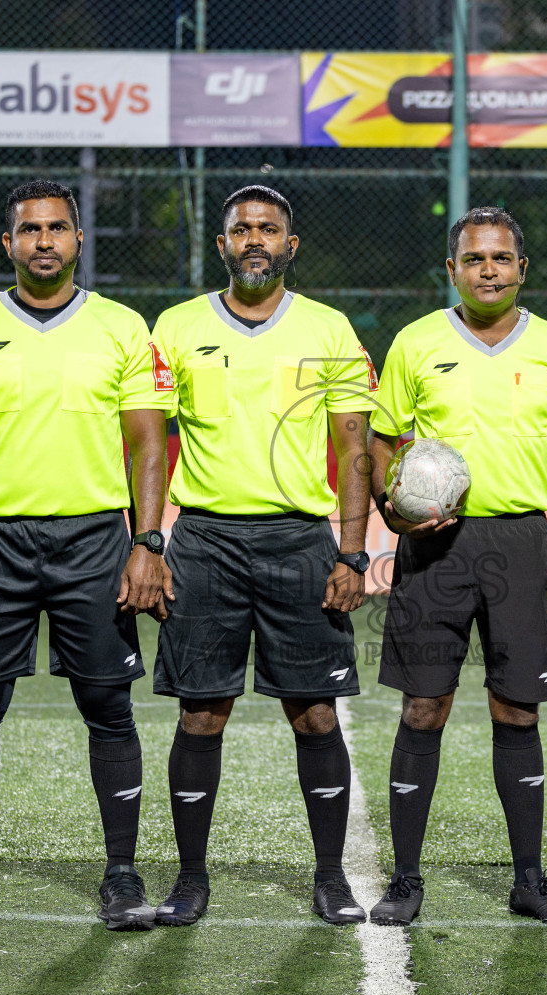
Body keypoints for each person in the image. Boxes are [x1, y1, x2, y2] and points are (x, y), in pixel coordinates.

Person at [0, 180, 174, 933]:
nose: (44, 242)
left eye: (57, 228)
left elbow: (148, 442)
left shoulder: (123, 327)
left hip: (95, 538)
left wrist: (147, 542)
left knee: (107, 706)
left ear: (78, 240)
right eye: (29, 230)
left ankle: (122, 875)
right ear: (9, 244)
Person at [366, 207, 547, 927]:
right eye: (474, 259)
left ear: (522, 268)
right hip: (435, 550)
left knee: (518, 707)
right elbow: (383, 445)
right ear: (453, 270)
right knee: (423, 707)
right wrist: (392, 509)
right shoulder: (416, 343)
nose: (489, 270)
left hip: (523, 544)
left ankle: (530, 880)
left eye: (502, 258)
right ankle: (406, 879)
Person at [149, 185, 376, 927]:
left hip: (300, 542)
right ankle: (189, 879)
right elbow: (148, 445)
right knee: (201, 715)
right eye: (242, 229)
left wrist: (351, 551)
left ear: (290, 245)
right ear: (222, 245)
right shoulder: (177, 327)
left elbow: (353, 448)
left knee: (314, 715)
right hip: (206, 540)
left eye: (268, 229)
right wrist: (148, 544)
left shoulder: (331, 328)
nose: (255, 240)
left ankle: (331, 877)